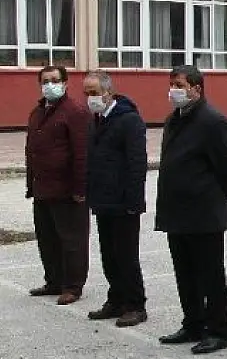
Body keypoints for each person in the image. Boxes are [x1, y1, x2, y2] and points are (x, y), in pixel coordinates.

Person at [155, 65, 227, 355]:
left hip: (203, 212)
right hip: (176, 210)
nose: (173, 90)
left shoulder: (212, 121)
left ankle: (217, 330)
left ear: (196, 89)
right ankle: (193, 322)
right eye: (171, 84)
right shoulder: (173, 120)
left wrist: (226, 197)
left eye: (179, 84)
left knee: (210, 274)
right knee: (185, 272)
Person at [82, 70, 148, 327]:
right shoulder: (97, 120)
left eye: (94, 92)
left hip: (124, 202)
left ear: (108, 92)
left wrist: (134, 201)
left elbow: (136, 163)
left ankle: (135, 304)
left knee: (126, 255)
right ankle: (116, 298)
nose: (90, 98)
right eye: (86, 93)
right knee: (109, 254)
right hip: (103, 200)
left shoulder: (128, 120)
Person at [25, 65, 91, 305]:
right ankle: (53, 280)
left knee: (72, 240)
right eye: (45, 81)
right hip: (43, 188)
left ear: (65, 83)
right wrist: (30, 184)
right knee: (47, 238)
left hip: (67, 190)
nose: (50, 85)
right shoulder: (37, 112)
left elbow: (81, 153)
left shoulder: (75, 112)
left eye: (55, 80)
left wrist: (80, 189)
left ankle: (73, 286)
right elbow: (31, 149)